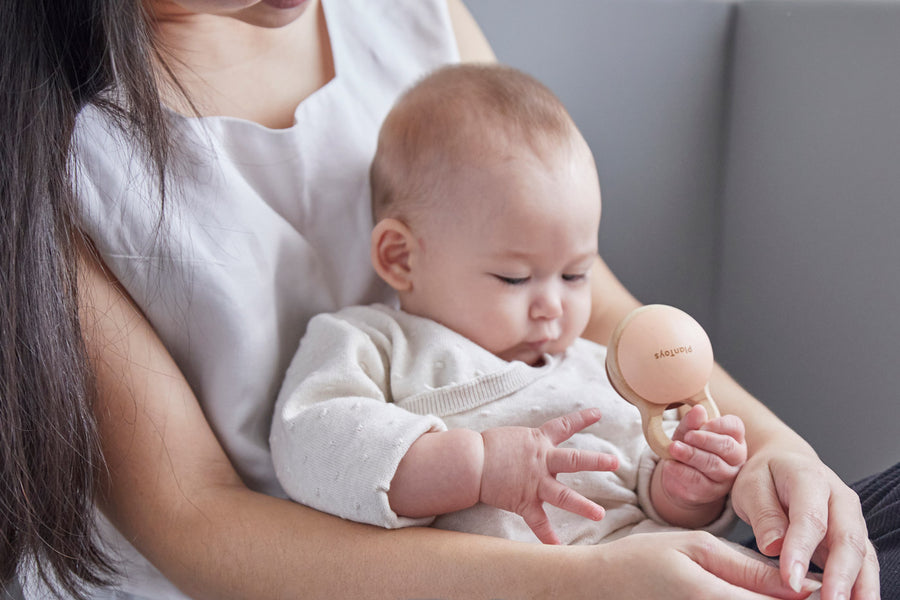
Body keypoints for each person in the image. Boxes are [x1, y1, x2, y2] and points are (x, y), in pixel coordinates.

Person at [0, 0, 885, 598]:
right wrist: (582, 583)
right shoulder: (55, 158)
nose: (545, 307)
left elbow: (596, 308)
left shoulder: (411, 19)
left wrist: (771, 451)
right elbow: (196, 522)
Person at [270, 63, 754, 549]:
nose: (551, 306)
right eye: (515, 277)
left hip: (637, 557)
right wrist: (476, 466)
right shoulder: (375, 343)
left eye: (575, 275)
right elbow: (309, 443)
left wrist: (687, 488)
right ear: (402, 258)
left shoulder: (597, 368)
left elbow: (640, 489)